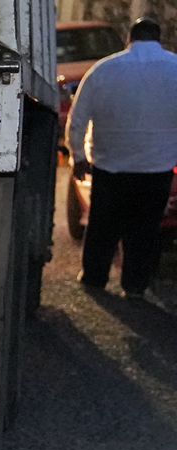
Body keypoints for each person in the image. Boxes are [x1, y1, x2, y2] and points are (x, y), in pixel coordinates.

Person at [67, 15, 177, 300]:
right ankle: (135, 285)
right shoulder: (174, 69)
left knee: (103, 227)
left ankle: (94, 278)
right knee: (145, 231)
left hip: (110, 167)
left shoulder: (103, 70)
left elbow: (78, 118)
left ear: (130, 39)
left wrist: (78, 156)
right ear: (158, 38)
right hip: (157, 169)